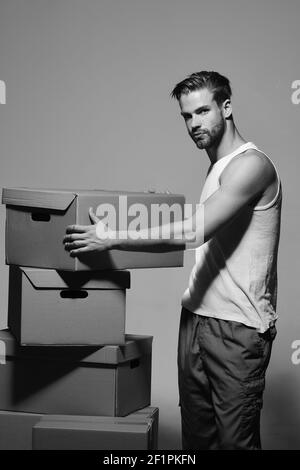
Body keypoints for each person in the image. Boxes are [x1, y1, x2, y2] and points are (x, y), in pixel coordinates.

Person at [63, 71, 282, 450]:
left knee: (236, 444)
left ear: (226, 107)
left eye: (202, 111)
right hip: (195, 319)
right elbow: (205, 225)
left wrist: (111, 237)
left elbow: (195, 231)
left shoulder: (252, 165)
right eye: (186, 116)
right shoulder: (216, 165)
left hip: (238, 330)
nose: (194, 124)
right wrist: (153, 210)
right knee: (197, 442)